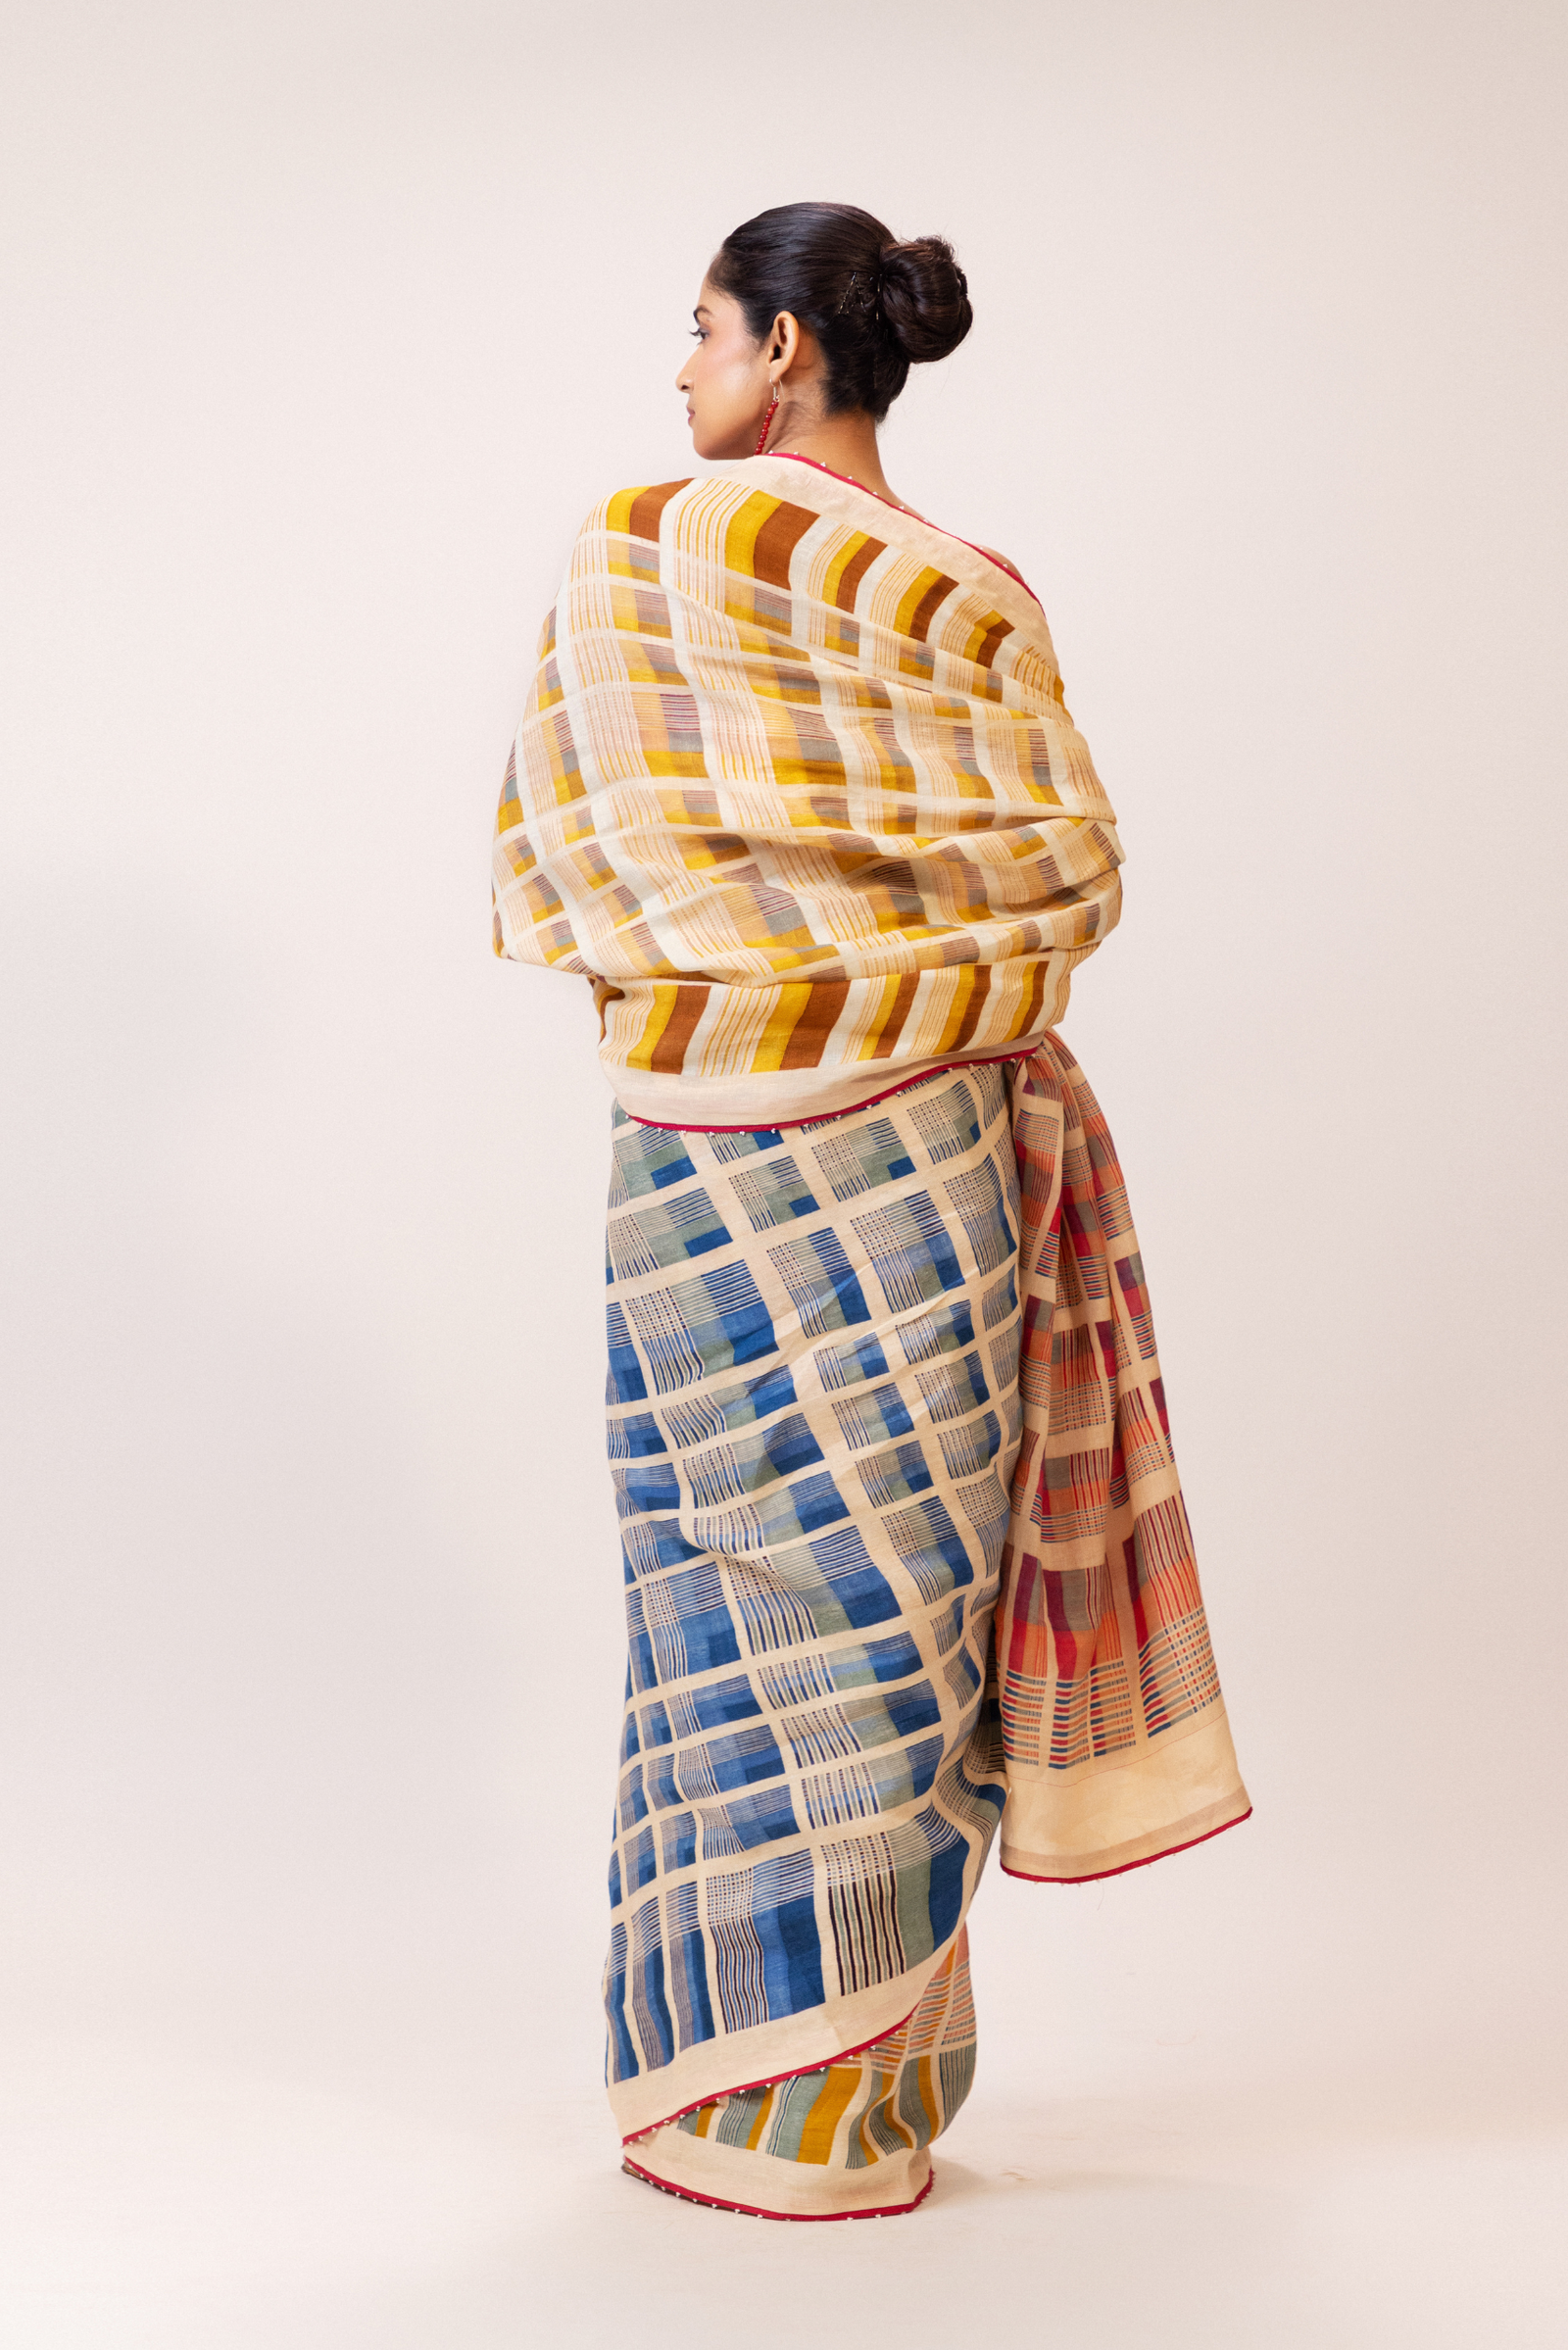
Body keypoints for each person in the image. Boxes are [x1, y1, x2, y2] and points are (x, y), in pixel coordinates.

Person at [493, 201, 1250, 2222]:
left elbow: (589, 853)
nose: (679, 367)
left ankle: (758, 2097)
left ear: (783, 351)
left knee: (745, 1603)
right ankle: (852, 2102)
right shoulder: (970, 595)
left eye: (700, 327)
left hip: (716, 1145)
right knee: (881, 1602)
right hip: (926, 1151)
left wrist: (759, 978)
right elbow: (1058, 875)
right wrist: (893, 984)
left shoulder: (646, 550)